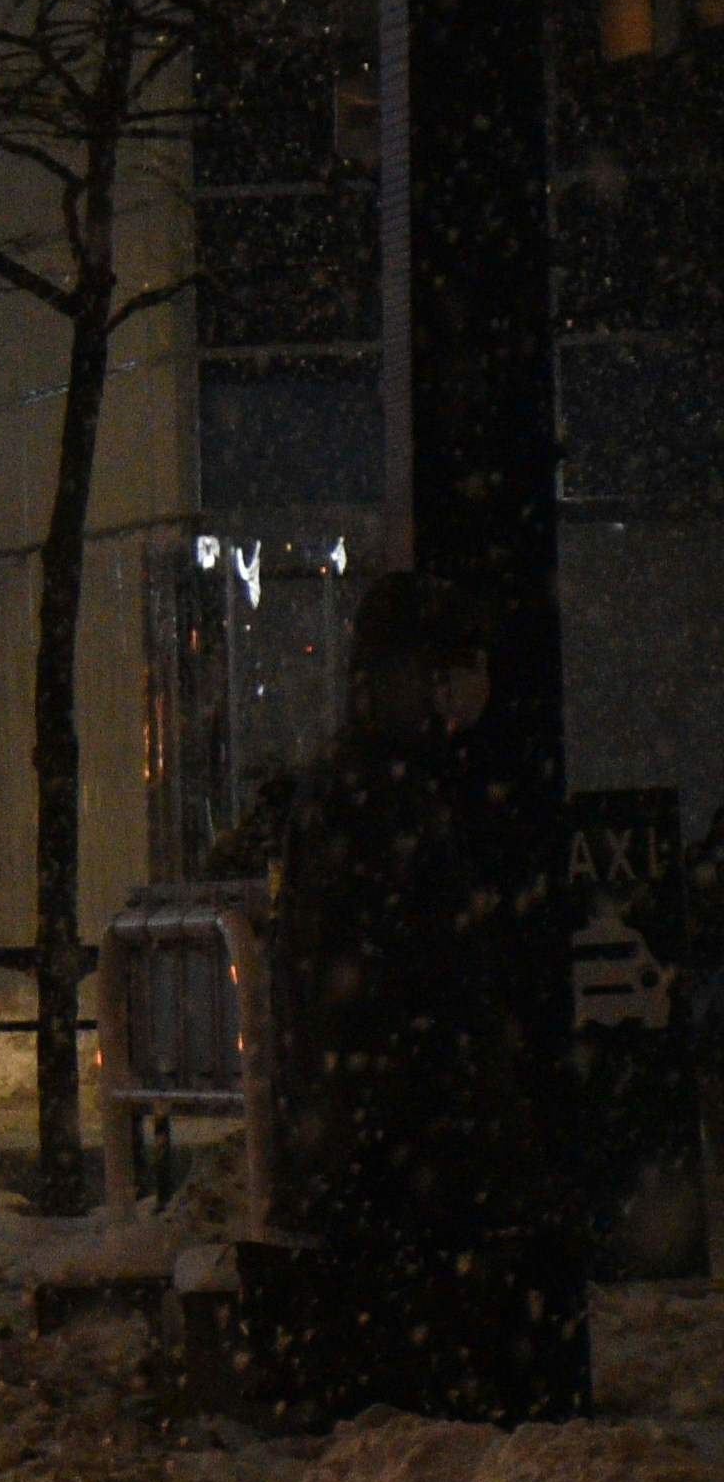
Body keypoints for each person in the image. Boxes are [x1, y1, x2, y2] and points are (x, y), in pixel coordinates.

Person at [262, 571, 587, 1416]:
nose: (461, 691)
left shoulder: (371, 784)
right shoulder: (380, 796)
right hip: (403, 1150)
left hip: (381, 1145)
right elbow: (407, 984)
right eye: (445, 670)